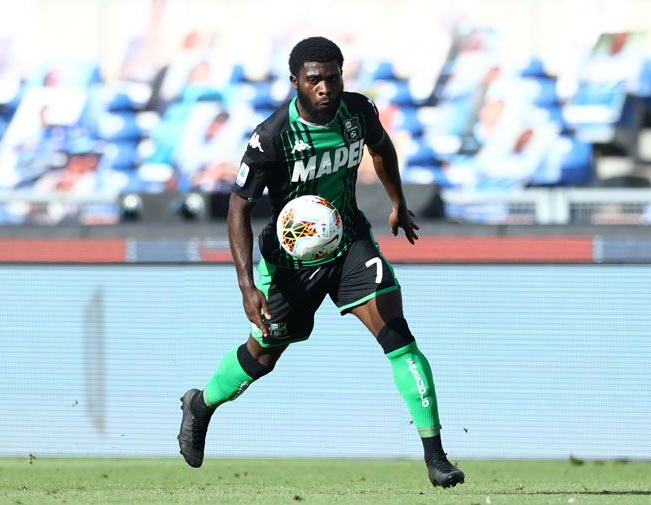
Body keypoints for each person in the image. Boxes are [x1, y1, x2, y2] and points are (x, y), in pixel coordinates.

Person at [177, 37, 465, 489]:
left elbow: (382, 148)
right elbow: (239, 206)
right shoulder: (272, 136)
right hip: (291, 261)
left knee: (398, 336)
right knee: (263, 356)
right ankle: (201, 405)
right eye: (314, 80)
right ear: (296, 83)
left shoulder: (359, 111)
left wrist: (398, 203)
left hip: (349, 240)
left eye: (333, 77)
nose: (325, 88)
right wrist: (245, 284)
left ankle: (436, 456)